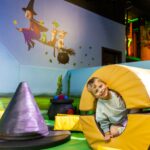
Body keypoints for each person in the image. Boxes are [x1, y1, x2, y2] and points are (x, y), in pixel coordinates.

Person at [87, 77, 128, 142]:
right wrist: (107, 134)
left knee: (136, 109)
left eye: (100, 86)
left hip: (128, 115)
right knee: (113, 131)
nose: (100, 90)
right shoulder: (100, 106)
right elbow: (103, 120)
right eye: (96, 91)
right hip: (117, 124)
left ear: (106, 84)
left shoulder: (116, 93)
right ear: (95, 96)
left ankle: (130, 126)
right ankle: (127, 129)